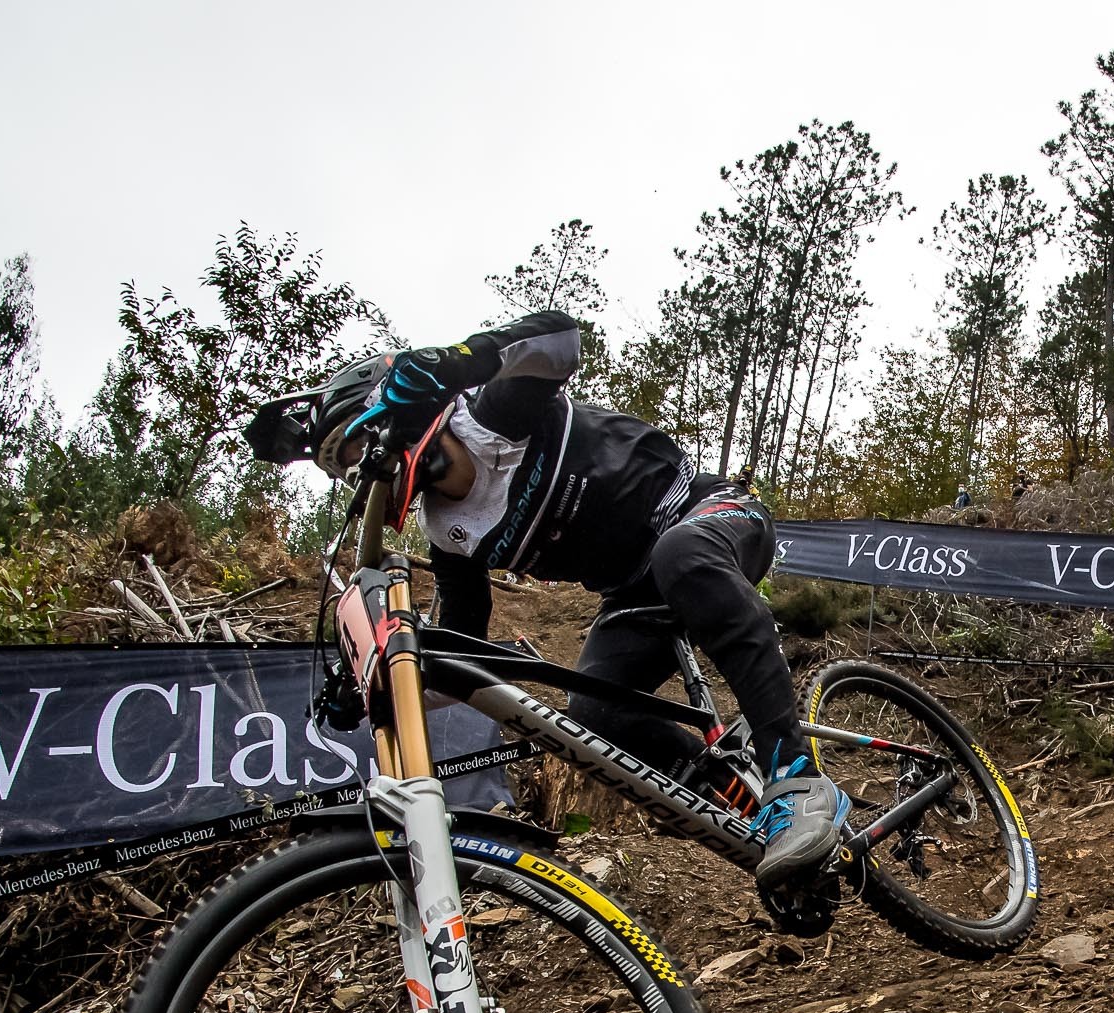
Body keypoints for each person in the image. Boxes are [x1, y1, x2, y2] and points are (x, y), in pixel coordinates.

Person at [332, 309, 847, 888]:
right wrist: (374, 691)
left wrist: (458, 360)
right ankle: (740, 805)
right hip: (635, 591)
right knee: (594, 714)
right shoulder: (451, 536)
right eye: (347, 470)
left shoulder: (496, 412)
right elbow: (466, 648)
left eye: (357, 452)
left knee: (681, 554)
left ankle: (797, 778)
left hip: (706, 513)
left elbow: (561, 336)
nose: (359, 476)